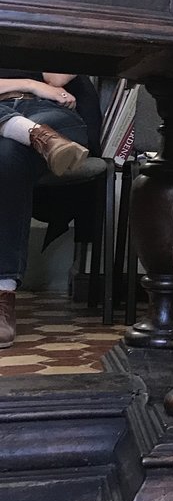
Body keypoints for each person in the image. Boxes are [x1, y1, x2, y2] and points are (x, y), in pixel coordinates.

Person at [0, 71, 90, 348]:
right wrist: (31, 84)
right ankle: (35, 136)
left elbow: (58, 78)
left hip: (51, 112)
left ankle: (2, 293)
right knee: (7, 155)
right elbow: (46, 84)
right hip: (16, 115)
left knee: (7, 152)